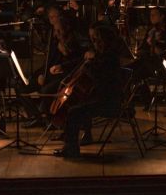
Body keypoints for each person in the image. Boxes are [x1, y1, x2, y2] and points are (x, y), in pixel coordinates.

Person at [54, 23, 129, 159]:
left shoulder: (110, 57)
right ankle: (71, 143)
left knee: (74, 112)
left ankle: (71, 149)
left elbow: (102, 80)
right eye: (92, 39)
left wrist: (89, 66)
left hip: (109, 102)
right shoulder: (101, 54)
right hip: (100, 98)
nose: (93, 42)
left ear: (104, 39)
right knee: (76, 105)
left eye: (96, 39)